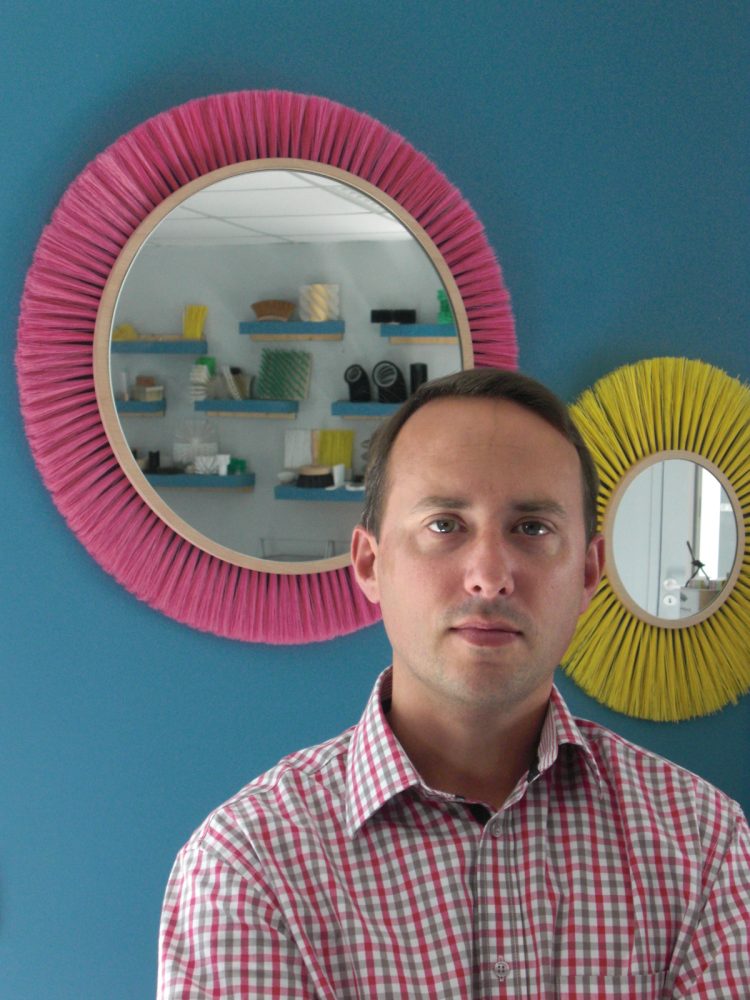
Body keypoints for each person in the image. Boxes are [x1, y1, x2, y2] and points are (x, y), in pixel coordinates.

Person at [158, 369, 749, 998]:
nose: (489, 576)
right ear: (370, 564)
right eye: (445, 525)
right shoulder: (248, 867)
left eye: (532, 528)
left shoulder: (705, 845)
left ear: (586, 573)